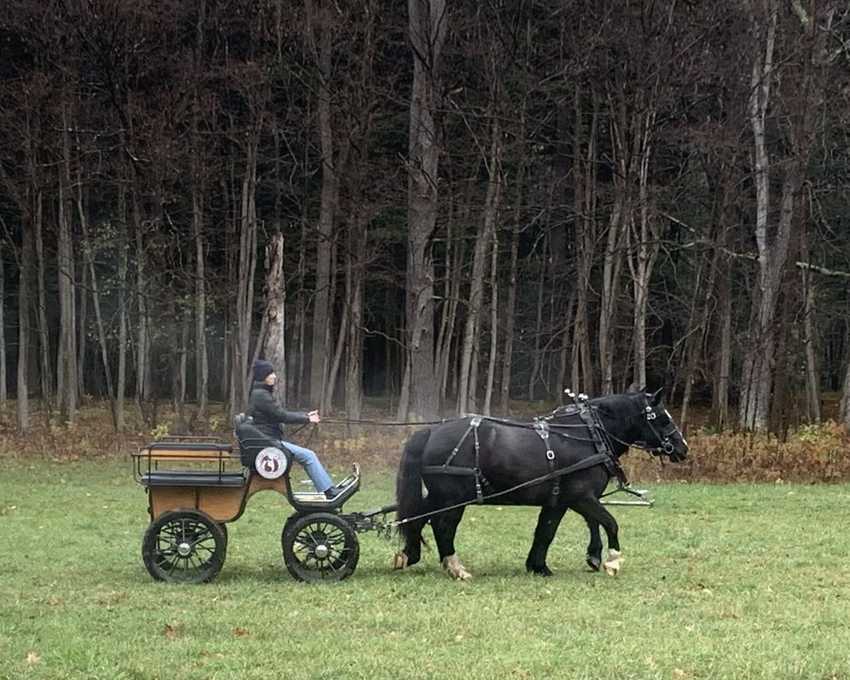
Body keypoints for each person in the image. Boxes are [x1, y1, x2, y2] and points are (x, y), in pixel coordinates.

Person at [247, 359, 343, 499]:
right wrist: (307, 419)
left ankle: (328, 489)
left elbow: (279, 413)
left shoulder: (260, 393)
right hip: (269, 443)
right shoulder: (261, 395)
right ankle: (329, 491)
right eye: (270, 373)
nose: (274, 376)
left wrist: (305, 415)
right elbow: (281, 415)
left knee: (307, 455)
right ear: (263, 376)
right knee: (308, 456)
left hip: (269, 441)